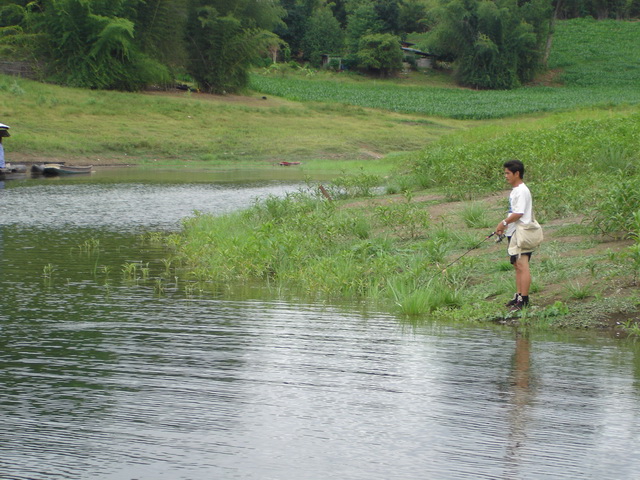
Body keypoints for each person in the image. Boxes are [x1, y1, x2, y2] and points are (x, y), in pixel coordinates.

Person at [495, 159, 534, 311]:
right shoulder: (515, 191)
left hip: (522, 233)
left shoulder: (522, 191)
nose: (506, 176)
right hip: (514, 232)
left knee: (522, 265)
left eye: (508, 173)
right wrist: (505, 227)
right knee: (516, 264)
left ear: (517, 173)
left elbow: (519, 213)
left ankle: (524, 300)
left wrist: (503, 223)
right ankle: (518, 296)